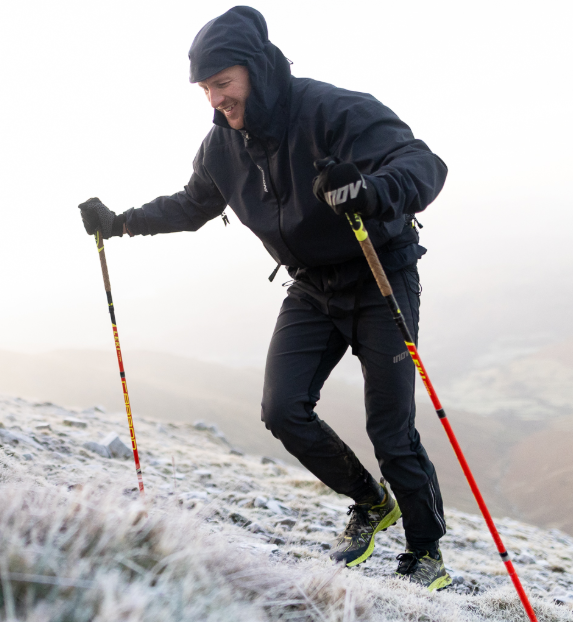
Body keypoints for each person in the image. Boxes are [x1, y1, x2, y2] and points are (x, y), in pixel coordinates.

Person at [78, 6, 451, 590]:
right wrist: (120, 223)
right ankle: (371, 502)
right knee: (282, 410)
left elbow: (423, 164)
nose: (215, 100)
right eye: (205, 89)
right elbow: (193, 204)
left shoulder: (333, 110)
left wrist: (370, 190)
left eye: (222, 84)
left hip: (379, 276)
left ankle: (426, 551)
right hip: (310, 286)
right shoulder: (223, 144)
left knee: (391, 429)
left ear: (255, 69)